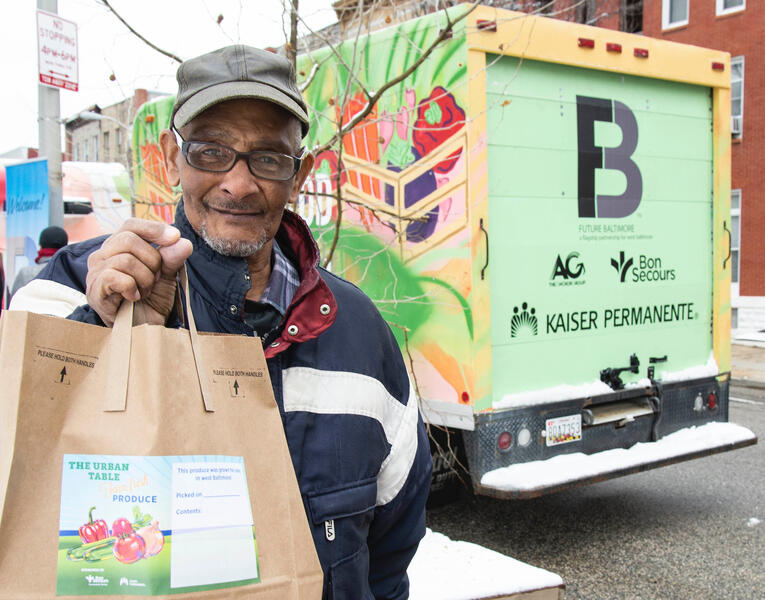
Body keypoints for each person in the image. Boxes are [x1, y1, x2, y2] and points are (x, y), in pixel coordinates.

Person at [11, 45, 432, 599]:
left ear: (298, 174)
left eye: (268, 157)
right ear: (171, 157)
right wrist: (109, 327)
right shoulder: (69, 285)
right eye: (211, 151)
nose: (238, 183)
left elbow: (389, 556)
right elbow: (20, 475)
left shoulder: (356, 332)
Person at [9, 225, 68, 300]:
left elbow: (14, 304)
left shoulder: (25, 273)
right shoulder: (72, 274)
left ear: (40, 246)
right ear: (65, 247)